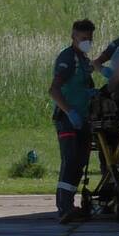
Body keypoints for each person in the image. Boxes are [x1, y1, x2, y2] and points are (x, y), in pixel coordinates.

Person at [48, 18, 96, 223]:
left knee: (80, 162)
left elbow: (84, 85)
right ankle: (64, 207)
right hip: (68, 119)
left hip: (83, 118)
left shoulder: (83, 59)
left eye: (90, 38)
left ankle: (71, 205)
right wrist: (69, 112)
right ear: (74, 36)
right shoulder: (68, 59)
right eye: (83, 37)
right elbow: (54, 90)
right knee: (70, 161)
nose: (87, 41)